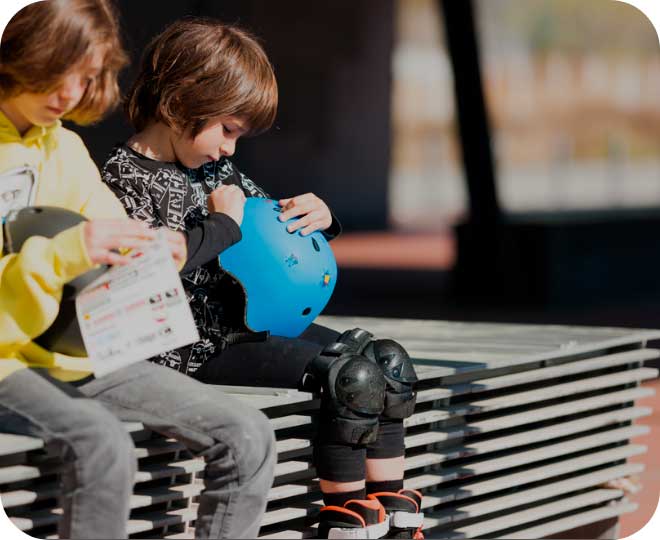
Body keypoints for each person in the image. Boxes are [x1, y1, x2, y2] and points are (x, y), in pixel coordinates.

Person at [101, 18, 424, 539]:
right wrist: (221, 226)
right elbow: (149, 272)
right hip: (192, 347)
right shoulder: (122, 181)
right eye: (227, 130)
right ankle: (346, 522)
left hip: (247, 326)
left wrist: (317, 219)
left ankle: (394, 517)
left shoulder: (215, 172)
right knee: (351, 379)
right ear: (180, 102)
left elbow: (272, 237)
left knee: (385, 363)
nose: (230, 148)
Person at [0, 2, 275, 538]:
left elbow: (114, 236)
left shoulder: (66, 148)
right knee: (102, 443)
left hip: (85, 352)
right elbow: (77, 248)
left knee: (249, 435)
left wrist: (153, 257)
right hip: (10, 362)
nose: (68, 93)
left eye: (84, 77)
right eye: (54, 70)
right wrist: (69, 251)